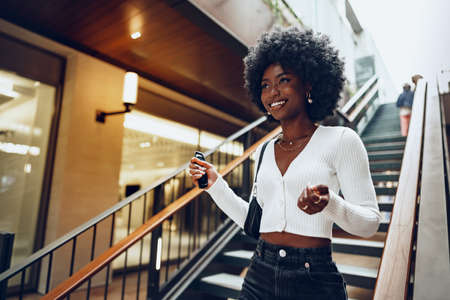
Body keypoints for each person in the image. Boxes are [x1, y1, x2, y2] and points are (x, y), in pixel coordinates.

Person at [189, 27, 381, 300]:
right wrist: (214, 184)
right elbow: (254, 223)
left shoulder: (341, 140)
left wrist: (331, 204)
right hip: (259, 272)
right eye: (265, 85)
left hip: (313, 278)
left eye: (284, 80)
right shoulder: (265, 150)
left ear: (309, 84)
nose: (273, 92)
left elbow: (370, 223)